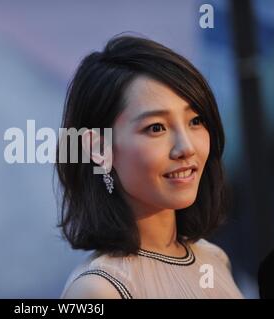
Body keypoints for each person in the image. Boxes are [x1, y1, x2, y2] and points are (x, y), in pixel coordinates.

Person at [56, 35, 244, 299]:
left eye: (196, 120)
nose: (186, 147)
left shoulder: (213, 258)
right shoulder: (99, 289)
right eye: (156, 128)